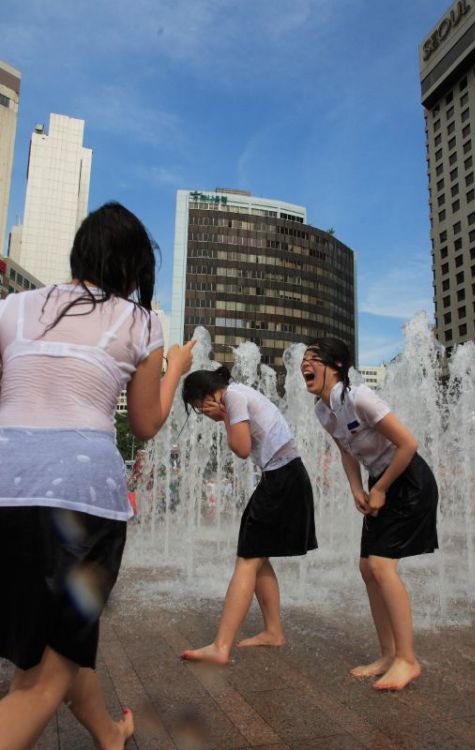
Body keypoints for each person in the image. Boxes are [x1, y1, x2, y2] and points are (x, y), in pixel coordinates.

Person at [0, 202, 195, 750]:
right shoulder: (140, 321)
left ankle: (110, 734)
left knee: (55, 646)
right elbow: (146, 422)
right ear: (134, 271)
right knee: (38, 685)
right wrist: (174, 368)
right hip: (83, 507)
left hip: (5, 492)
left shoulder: (13, 308)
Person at [301, 338, 438, 691]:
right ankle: (388, 654)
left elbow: (408, 444)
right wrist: (357, 489)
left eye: (313, 358)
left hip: (408, 480)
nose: (305, 364)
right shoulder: (322, 411)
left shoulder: (360, 397)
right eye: (303, 359)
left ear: (336, 366)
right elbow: (347, 452)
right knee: (367, 569)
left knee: (381, 566)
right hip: (381, 481)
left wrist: (379, 489)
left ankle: (408, 660)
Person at [181, 366, 317, 664]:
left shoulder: (232, 398)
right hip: (283, 475)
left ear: (206, 396)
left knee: (247, 559)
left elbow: (241, 449)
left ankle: (221, 646)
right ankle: (273, 631)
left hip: (283, 477)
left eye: (198, 408)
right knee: (257, 555)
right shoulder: (239, 394)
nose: (203, 414)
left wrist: (227, 417)